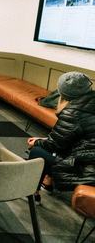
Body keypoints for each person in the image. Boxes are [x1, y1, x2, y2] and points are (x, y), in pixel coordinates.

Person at [28, 71, 95, 204]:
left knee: (37, 151)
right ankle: (48, 181)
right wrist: (45, 141)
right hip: (88, 157)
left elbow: (55, 145)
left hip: (87, 168)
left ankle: (31, 191)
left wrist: (38, 142)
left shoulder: (73, 112)